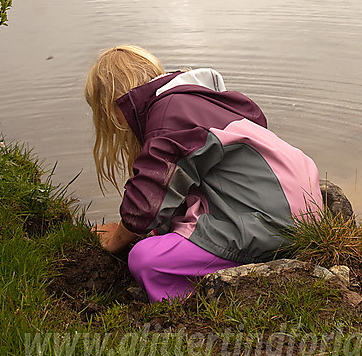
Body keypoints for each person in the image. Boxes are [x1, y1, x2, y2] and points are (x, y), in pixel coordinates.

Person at [85, 45, 322, 302]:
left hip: (271, 228)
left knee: (145, 258)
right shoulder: (203, 100)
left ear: (113, 108)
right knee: (167, 227)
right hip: (304, 215)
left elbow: (146, 204)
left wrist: (116, 239)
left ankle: (210, 297)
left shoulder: (167, 115)